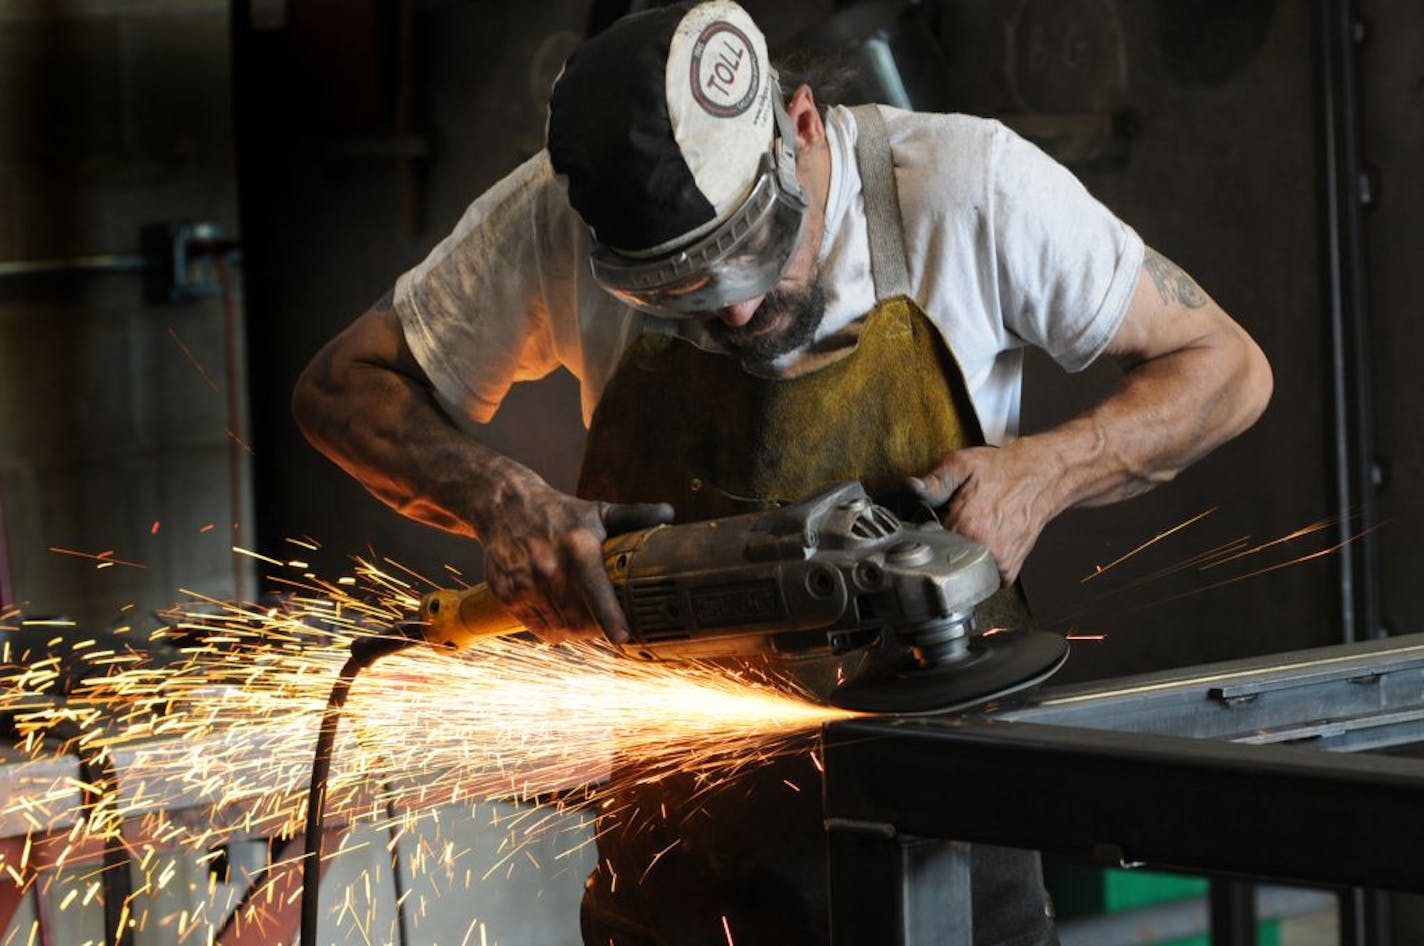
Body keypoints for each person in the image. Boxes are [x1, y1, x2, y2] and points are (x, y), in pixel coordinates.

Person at [292, 2, 1272, 943]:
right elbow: (341, 387)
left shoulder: (966, 187)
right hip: (676, 851)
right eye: (678, 289)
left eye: (751, 254)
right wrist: (496, 498)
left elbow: (1224, 367)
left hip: (944, 842)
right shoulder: (554, 216)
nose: (731, 314)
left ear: (800, 125)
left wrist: (1049, 470)